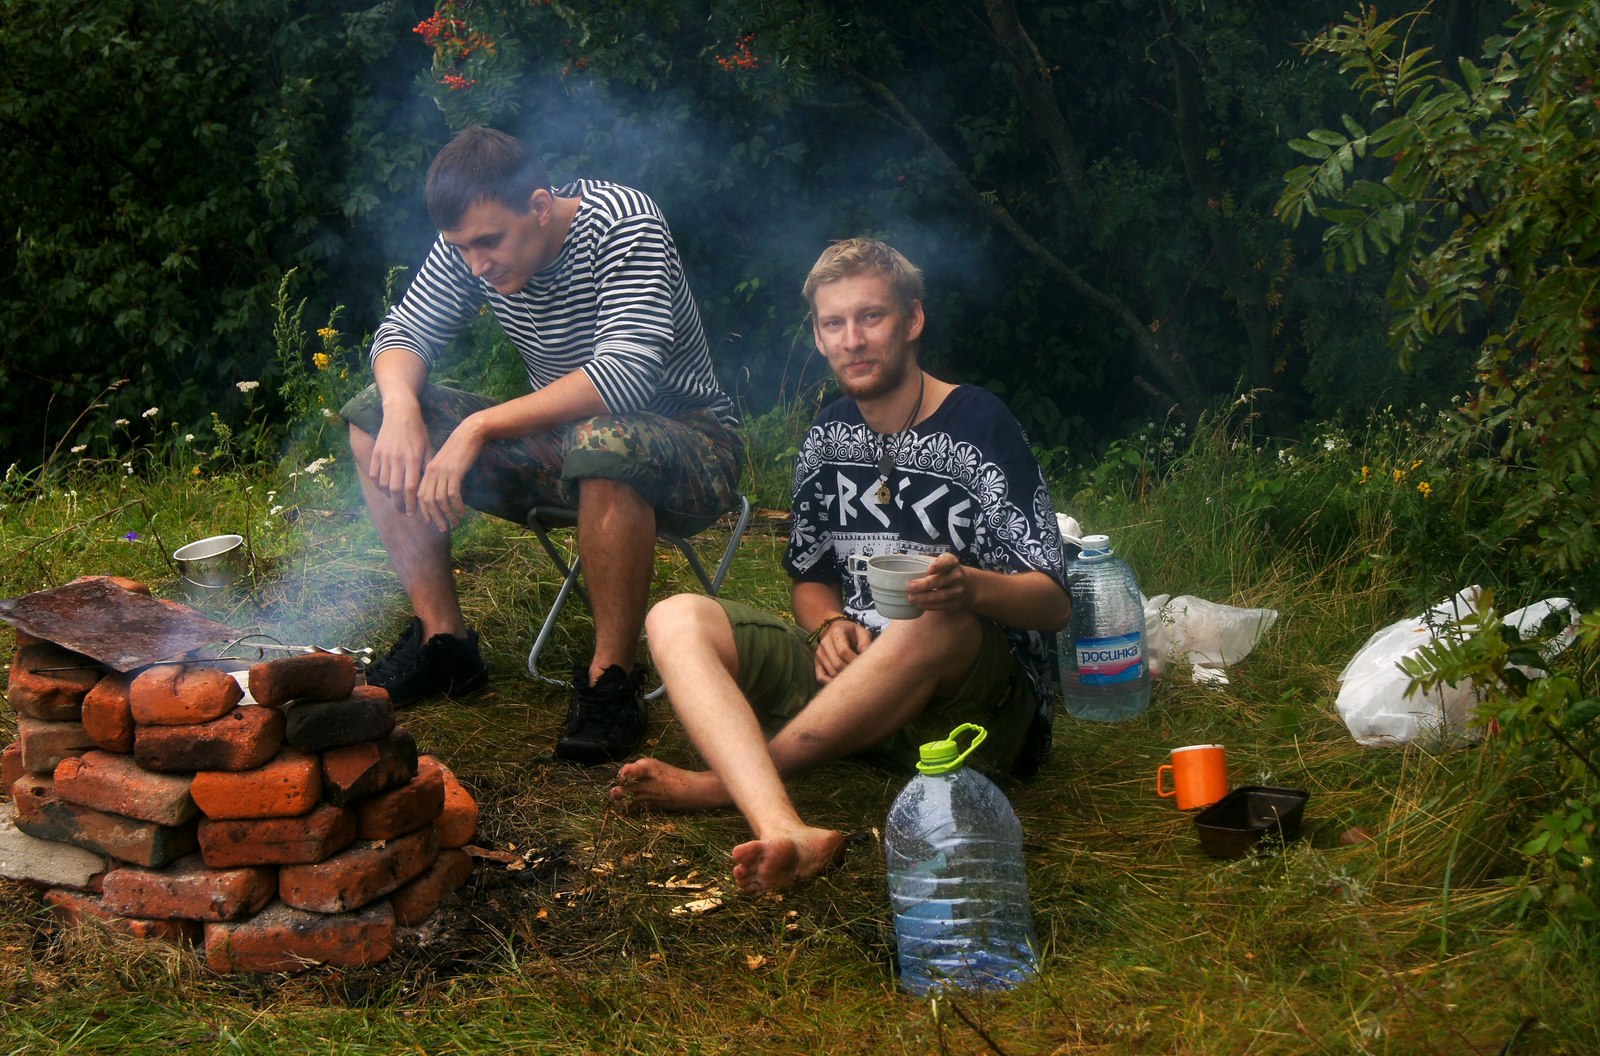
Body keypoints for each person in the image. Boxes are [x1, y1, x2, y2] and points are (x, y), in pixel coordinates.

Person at [610, 238, 1069, 892]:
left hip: (975, 713)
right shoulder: (829, 433)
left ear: (912, 320)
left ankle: (720, 784)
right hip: (855, 688)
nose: (853, 339)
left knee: (932, 621)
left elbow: (1054, 601)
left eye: (871, 317)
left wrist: (969, 588)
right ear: (819, 338)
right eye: (834, 324)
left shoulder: (980, 423)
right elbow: (811, 577)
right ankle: (782, 827)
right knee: (675, 616)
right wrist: (827, 626)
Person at [341, 126, 743, 765]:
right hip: (566, 447)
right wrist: (398, 409)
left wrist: (477, 427)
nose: (476, 263)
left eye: (488, 243)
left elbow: (626, 375)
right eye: (462, 248)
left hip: (693, 446)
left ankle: (610, 680)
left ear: (537, 204)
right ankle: (445, 645)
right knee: (368, 414)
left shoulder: (623, 223)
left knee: (602, 439)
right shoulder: (472, 242)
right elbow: (401, 333)